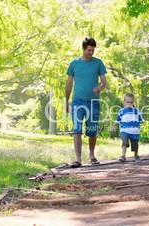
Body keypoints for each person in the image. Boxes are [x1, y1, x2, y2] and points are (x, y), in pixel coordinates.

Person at [65, 37, 107, 168]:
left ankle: (92, 155)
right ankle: (78, 159)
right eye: (89, 50)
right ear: (83, 49)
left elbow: (104, 82)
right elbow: (69, 83)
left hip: (93, 101)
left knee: (92, 130)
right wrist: (66, 100)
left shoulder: (98, 63)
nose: (91, 52)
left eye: (93, 50)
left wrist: (99, 88)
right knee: (77, 129)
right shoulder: (74, 64)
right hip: (77, 101)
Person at [111, 93, 144, 163]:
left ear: (133, 102)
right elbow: (117, 120)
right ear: (124, 102)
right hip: (124, 131)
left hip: (135, 131)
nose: (129, 103)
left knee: (135, 144)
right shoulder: (121, 111)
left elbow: (141, 120)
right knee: (124, 141)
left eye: (131, 102)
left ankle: (136, 155)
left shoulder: (136, 111)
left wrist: (143, 124)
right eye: (127, 102)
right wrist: (114, 126)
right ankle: (123, 156)